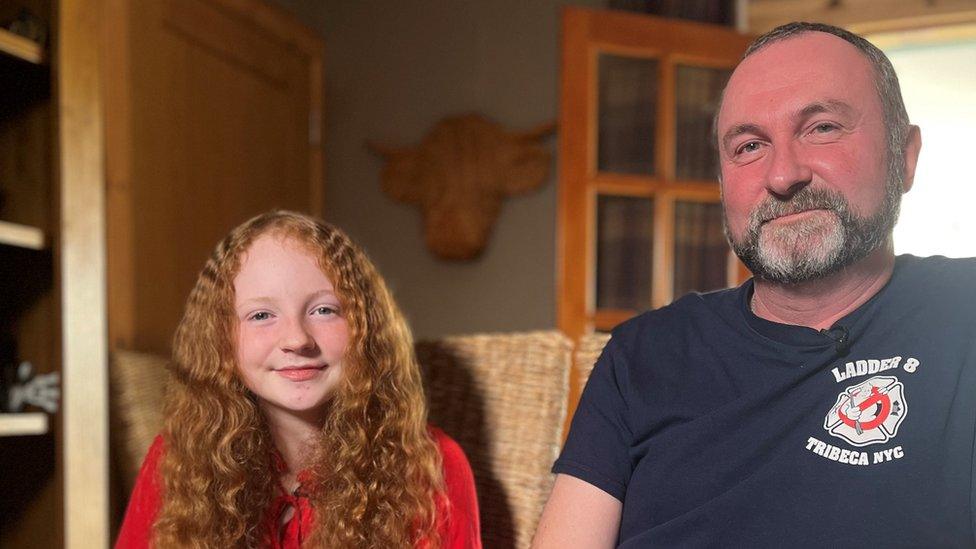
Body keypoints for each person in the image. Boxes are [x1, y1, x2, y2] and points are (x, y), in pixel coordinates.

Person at [534, 22, 976, 548]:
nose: (783, 175)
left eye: (822, 128)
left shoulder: (963, 313)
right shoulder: (643, 353)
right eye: (748, 146)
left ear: (904, 157)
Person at [116, 211, 481, 548]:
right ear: (220, 338)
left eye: (324, 310)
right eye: (261, 315)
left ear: (365, 329)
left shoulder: (431, 465)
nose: (297, 339)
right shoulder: (178, 458)